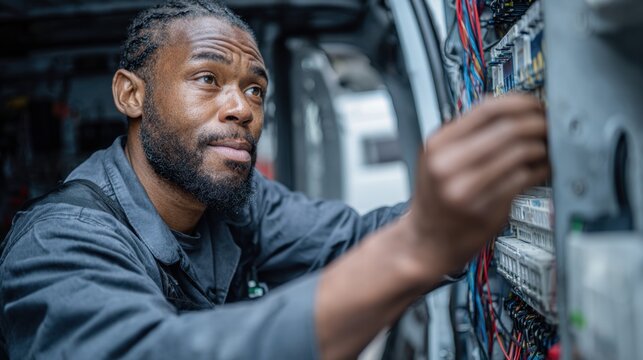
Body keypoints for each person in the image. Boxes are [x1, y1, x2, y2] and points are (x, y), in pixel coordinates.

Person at [0, 1, 549, 359]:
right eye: (208, 79)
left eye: (255, 90)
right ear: (131, 95)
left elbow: (354, 239)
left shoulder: (232, 203)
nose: (241, 108)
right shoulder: (58, 242)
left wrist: (476, 199)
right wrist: (415, 246)